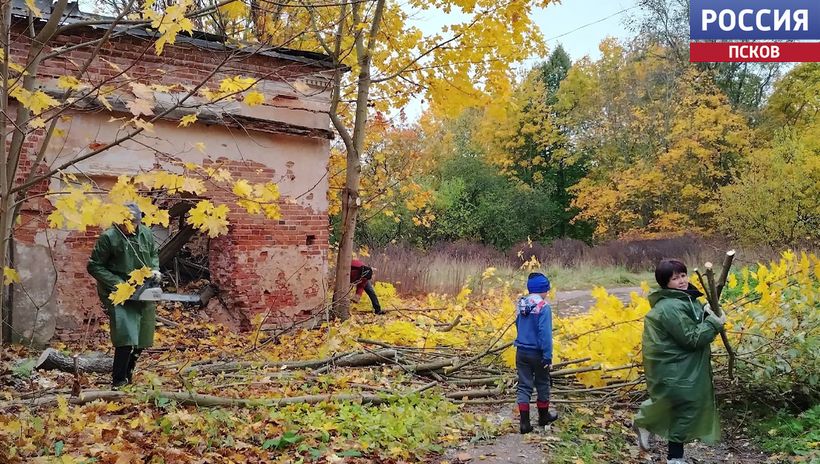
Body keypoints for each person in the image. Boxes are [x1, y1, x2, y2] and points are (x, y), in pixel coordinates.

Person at [634, 259, 727, 464]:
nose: (681, 281)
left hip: (684, 366)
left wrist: (706, 313)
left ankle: (657, 435)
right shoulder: (670, 307)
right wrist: (713, 323)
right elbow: (691, 338)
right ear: (664, 283)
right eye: (674, 278)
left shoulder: (686, 300)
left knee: (679, 405)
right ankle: (671, 453)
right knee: (684, 406)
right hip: (675, 367)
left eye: (683, 275)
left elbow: (692, 325)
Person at [87, 202, 161, 388]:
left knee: (143, 336)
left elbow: (153, 255)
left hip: (143, 290)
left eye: (133, 223)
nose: (130, 227)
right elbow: (94, 266)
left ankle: (129, 374)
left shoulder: (145, 234)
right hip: (117, 291)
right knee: (126, 335)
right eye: (126, 223)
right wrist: (119, 285)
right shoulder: (109, 237)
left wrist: (155, 271)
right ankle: (118, 379)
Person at [514, 272, 558, 433]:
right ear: (543, 290)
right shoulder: (543, 308)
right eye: (547, 290)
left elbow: (517, 324)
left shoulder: (522, 304)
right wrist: (548, 356)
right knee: (542, 383)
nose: (547, 293)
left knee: (524, 385)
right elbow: (545, 334)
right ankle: (543, 416)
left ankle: (524, 423)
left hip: (521, 352)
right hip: (538, 353)